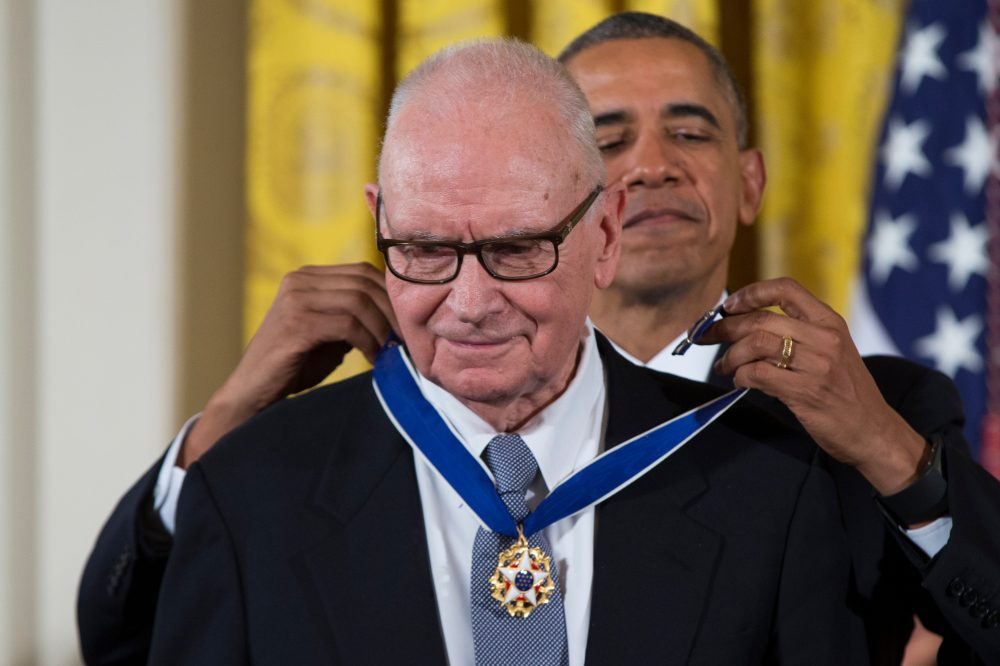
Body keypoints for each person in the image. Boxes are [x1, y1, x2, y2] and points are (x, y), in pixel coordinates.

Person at [81, 38, 867, 664]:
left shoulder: (765, 478)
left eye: (517, 248)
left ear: (604, 234)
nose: (470, 303)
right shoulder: (252, 489)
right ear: (379, 219)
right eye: (424, 250)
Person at [556, 12, 1000, 665]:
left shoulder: (889, 405)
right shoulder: (486, 407)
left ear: (750, 184)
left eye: (688, 133)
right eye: (609, 141)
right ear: (548, 203)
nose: (652, 165)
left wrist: (882, 442)